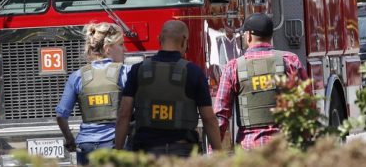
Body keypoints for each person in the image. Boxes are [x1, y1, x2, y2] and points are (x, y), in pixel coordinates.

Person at [114, 20, 222, 157]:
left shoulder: (138, 70)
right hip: (182, 153)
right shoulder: (194, 72)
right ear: (184, 41)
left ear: (159, 39)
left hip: (146, 153)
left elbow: (124, 113)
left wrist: (117, 151)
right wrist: (219, 154)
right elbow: (209, 119)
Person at [213, 13, 306, 151]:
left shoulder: (233, 67)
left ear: (249, 35)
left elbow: (220, 115)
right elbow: (306, 104)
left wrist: (211, 152)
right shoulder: (290, 61)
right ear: (271, 35)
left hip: (250, 150)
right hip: (285, 148)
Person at [56, 22, 128, 165]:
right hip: (115, 145)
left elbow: (60, 116)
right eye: (121, 44)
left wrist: (70, 139)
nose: (124, 49)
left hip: (85, 147)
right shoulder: (126, 72)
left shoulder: (77, 76)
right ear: (108, 49)